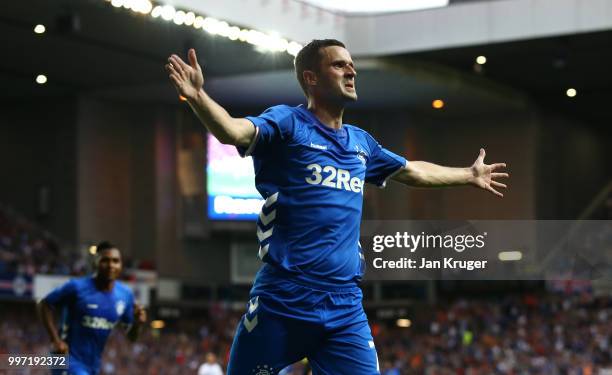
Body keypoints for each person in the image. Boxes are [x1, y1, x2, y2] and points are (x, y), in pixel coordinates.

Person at [165, 39, 508, 374]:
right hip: (284, 299)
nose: (351, 71)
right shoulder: (288, 123)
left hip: (345, 305)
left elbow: (412, 170)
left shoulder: (361, 144)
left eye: (352, 65)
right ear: (311, 77)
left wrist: (468, 174)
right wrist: (197, 97)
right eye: (339, 64)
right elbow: (234, 132)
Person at [38, 241, 147, 375]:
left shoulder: (125, 295)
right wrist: (55, 340)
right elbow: (45, 304)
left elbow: (132, 337)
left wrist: (137, 324)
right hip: (65, 359)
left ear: (121, 265)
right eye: (105, 260)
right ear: (95, 262)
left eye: (115, 261)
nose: (111, 265)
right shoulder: (76, 287)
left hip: (92, 365)